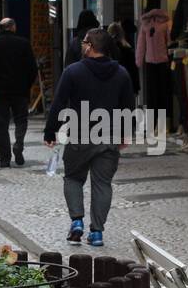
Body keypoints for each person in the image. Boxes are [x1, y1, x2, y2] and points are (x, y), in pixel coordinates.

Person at [44, 27, 134, 248]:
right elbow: (128, 107)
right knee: (102, 184)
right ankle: (97, 233)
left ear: (91, 46)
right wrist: (125, 133)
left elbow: (59, 103)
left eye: (84, 42)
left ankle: (76, 221)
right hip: (109, 136)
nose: (82, 45)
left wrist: (50, 131)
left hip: (79, 136)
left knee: (73, 178)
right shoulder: (121, 73)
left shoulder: (73, 71)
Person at [0, 17, 38, 167]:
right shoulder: (23, 43)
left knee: (2, 124)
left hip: (0, 91)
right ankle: (19, 143)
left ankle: (5, 158)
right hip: (20, 90)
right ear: (13, 27)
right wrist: (27, 85)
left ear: (0, 28)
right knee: (21, 120)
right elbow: (32, 68)